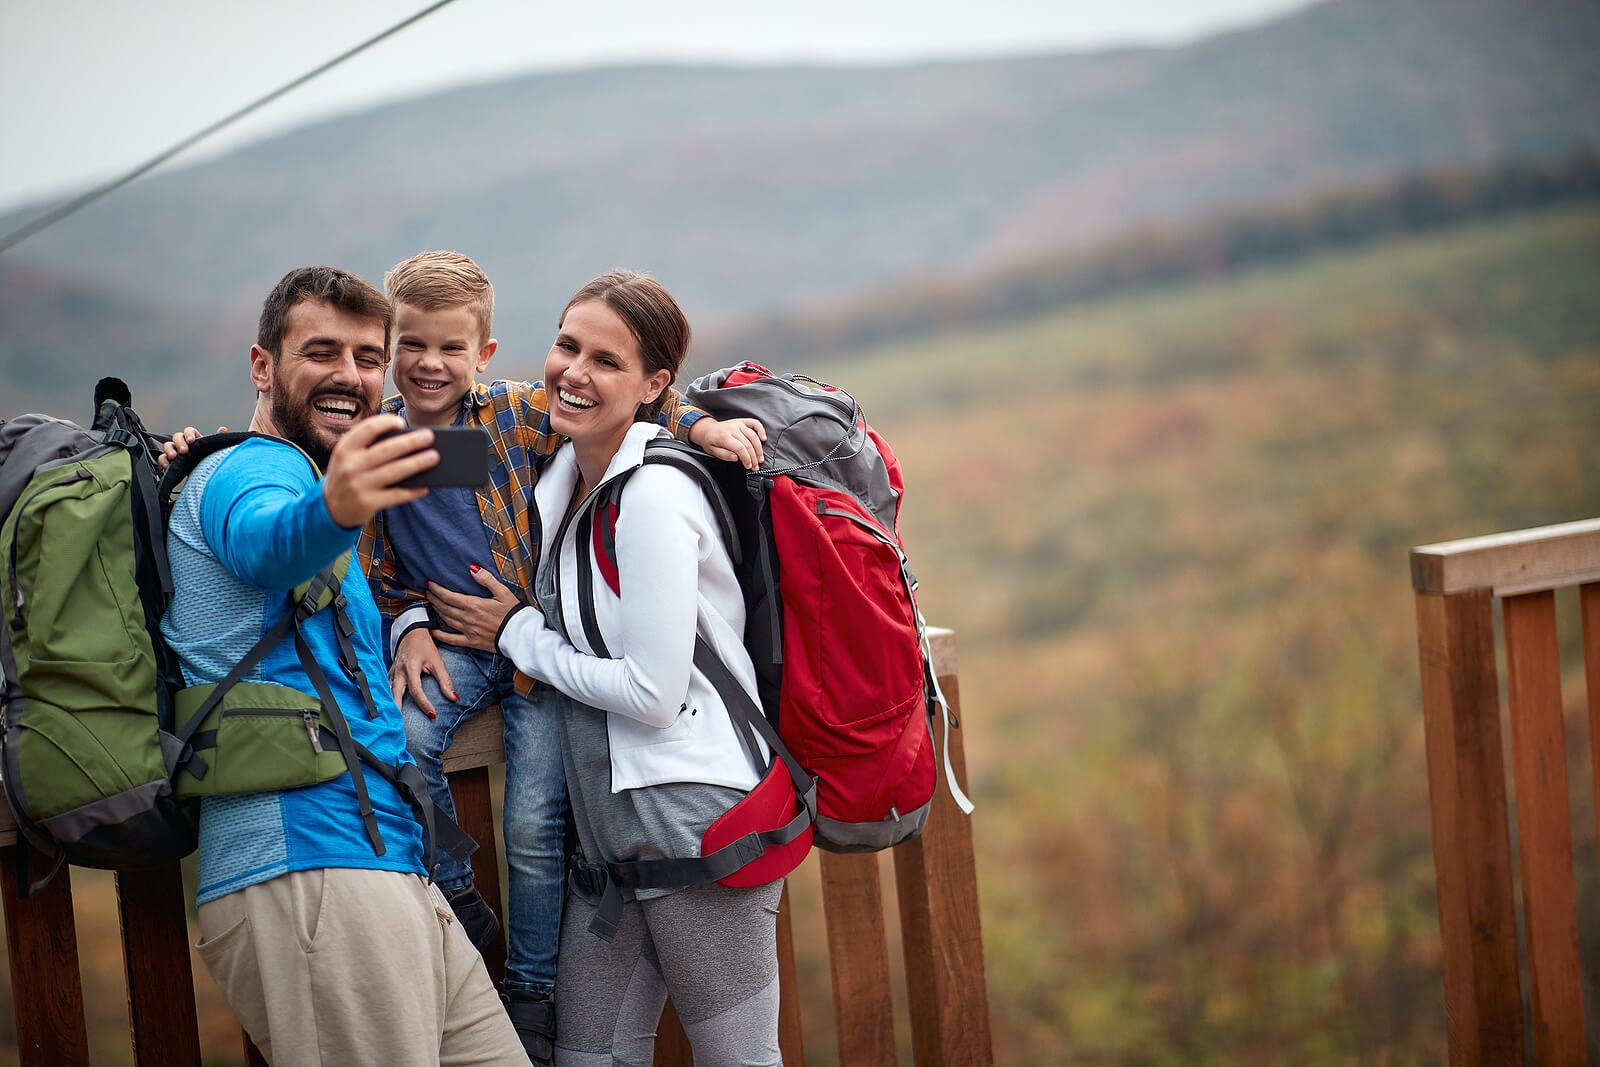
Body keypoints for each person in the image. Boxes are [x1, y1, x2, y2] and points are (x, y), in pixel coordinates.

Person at [357, 249, 765, 1064]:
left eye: (451, 348)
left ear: (484, 353)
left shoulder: (527, 427)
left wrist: (704, 424)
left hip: (649, 768)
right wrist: (403, 624)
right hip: (505, 685)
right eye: (411, 345)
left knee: (535, 823)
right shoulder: (392, 443)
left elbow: (638, 411)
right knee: (405, 741)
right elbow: (377, 560)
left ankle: (531, 990)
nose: (430, 364)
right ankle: (462, 899)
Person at [160, 265, 530, 1065]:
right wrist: (337, 505)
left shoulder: (316, 474)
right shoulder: (251, 471)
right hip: (311, 869)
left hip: (389, 864)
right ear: (263, 367)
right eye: (321, 352)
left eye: (369, 356)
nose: (350, 375)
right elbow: (269, 541)